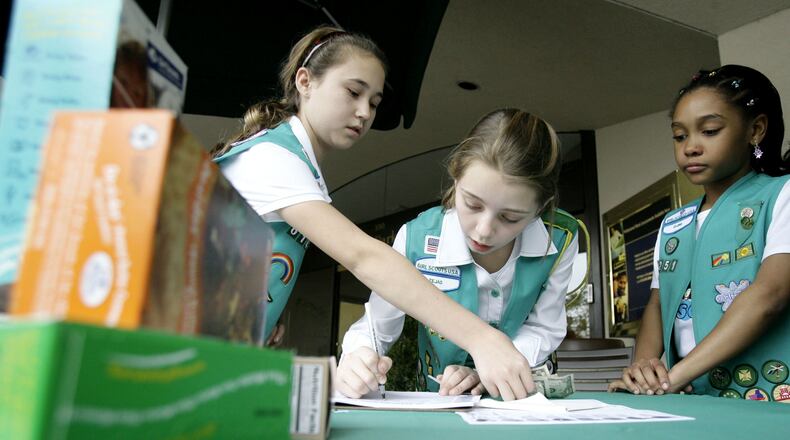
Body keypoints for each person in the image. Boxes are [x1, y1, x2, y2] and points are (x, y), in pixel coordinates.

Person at [211, 26, 535, 400]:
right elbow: (363, 256)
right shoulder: (272, 157)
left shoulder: (294, 163)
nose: (365, 112)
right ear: (305, 81)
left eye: (375, 101)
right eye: (353, 92)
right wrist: (483, 339)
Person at [337, 108, 579, 397]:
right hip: (437, 401)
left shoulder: (561, 237)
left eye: (510, 218)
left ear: (541, 208)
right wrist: (359, 355)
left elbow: (544, 327)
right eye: (473, 204)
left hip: (518, 398)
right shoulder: (416, 238)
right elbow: (376, 327)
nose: (484, 231)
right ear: (455, 178)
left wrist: (490, 369)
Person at [609, 65, 790, 400]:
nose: (690, 147)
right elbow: (658, 304)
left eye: (709, 131)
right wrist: (644, 371)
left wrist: (673, 377)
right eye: (680, 136)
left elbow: (770, 295)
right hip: (690, 396)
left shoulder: (781, 195)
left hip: (763, 393)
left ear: (756, 130)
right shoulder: (673, 222)